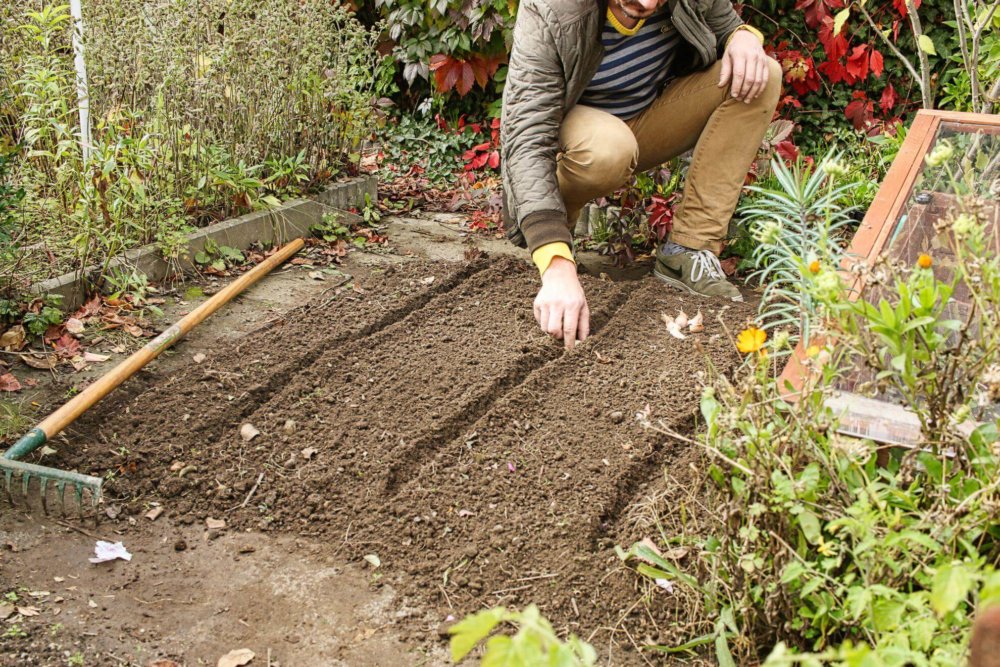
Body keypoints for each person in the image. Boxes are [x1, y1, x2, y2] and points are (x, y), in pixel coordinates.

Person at [500, 0, 782, 350]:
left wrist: (743, 36)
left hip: (646, 120)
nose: (646, 4)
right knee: (607, 149)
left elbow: (726, 23)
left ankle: (688, 251)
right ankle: (559, 241)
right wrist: (556, 265)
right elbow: (526, 135)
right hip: (578, 138)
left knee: (762, 74)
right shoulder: (554, 8)